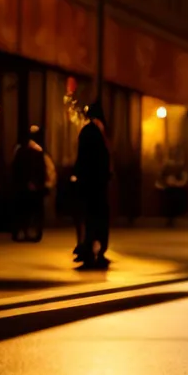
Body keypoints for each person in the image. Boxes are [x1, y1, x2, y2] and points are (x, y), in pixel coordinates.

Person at [73, 101, 112, 269]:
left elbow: (81, 158)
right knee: (99, 217)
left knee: (88, 217)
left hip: (87, 182)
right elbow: (105, 158)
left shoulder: (87, 131)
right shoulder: (102, 132)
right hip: (99, 182)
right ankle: (99, 249)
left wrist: (78, 174)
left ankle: (88, 249)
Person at [9, 125, 56, 242]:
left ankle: (23, 231)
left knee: (23, 209)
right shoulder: (38, 152)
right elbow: (40, 169)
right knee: (35, 209)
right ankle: (33, 232)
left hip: (24, 185)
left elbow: (17, 169)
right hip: (34, 186)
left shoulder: (20, 150)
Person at [156, 144, 188, 227]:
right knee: (168, 197)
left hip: (177, 188)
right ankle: (169, 218)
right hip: (167, 187)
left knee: (176, 196)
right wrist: (167, 181)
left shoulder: (180, 165)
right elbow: (161, 176)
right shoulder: (166, 166)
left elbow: (184, 177)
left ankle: (175, 217)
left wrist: (178, 183)